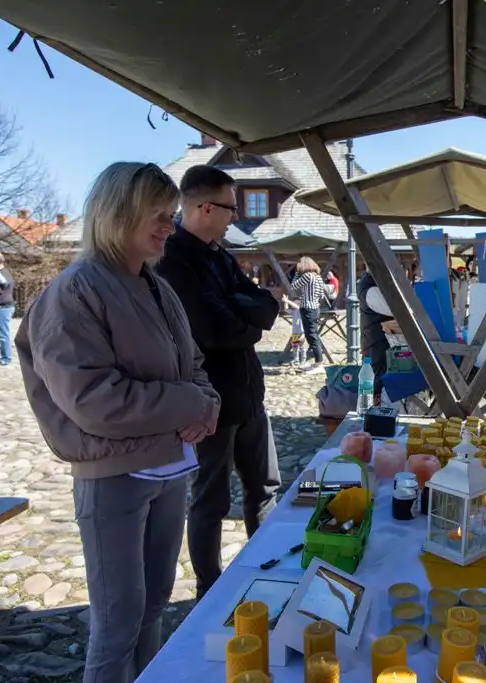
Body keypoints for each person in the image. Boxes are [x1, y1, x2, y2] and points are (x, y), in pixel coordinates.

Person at [16, 162, 222, 683]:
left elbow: (193, 364)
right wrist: (192, 406)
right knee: (116, 624)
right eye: (157, 215)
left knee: (152, 605)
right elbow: (93, 401)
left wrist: (208, 404)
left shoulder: (155, 286)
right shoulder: (75, 292)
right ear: (118, 214)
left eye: (171, 216)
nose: (168, 227)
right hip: (113, 478)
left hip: (169, 470)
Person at [155, 164, 281, 600]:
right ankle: (210, 590)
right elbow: (214, 331)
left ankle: (267, 571)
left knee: (264, 490)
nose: (235, 216)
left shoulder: (220, 255)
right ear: (205, 207)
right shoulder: (173, 258)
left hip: (249, 397)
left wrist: (242, 313)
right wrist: (246, 320)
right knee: (210, 502)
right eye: (230, 208)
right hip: (211, 405)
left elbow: (267, 306)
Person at [283, 256, 327, 373]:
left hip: (307, 308)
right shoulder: (318, 277)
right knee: (314, 335)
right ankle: (318, 361)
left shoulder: (307, 276)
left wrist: (297, 274)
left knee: (311, 336)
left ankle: (319, 364)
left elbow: (293, 286)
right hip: (315, 308)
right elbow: (322, 295)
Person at [358, 269, 394, 399]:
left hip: (380, 343)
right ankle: (373, 413)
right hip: (376, 344)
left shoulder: (375, 284)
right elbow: (394, 309)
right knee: (375, 384)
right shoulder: (369, 287)